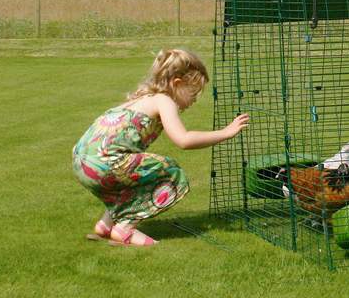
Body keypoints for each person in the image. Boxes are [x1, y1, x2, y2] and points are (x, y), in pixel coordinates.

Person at [71, 49, 249, 247]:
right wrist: (226, 132)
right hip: (107, 162)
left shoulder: (141, 99)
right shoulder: (164, 100)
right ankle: (125, 229)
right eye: (193, 92)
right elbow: (184, 140)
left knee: (136, 178)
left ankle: (106, 225)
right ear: (177, 84)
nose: (194, 100)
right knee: (171, 172)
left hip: (83, 162)